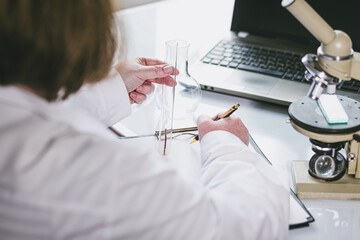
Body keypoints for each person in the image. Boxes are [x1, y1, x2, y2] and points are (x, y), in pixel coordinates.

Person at [0, 0, 289, 239]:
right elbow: (240, 228)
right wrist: (228, 146)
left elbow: (34, 110)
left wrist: (109, 89)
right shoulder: (79, 168)